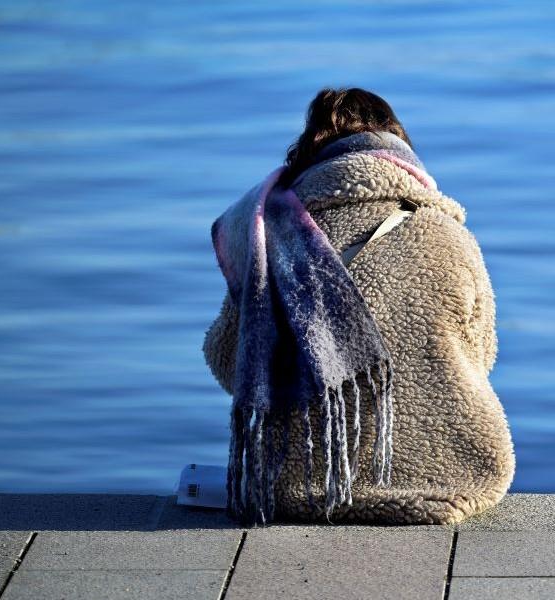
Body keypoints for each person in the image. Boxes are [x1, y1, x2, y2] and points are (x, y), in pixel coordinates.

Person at [202, 87, 515, 524]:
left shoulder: (268, 237)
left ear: (311, 154)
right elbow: (480, 357)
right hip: (456, 475)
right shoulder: (450, 237)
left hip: (304, 485)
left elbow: (228, 360)